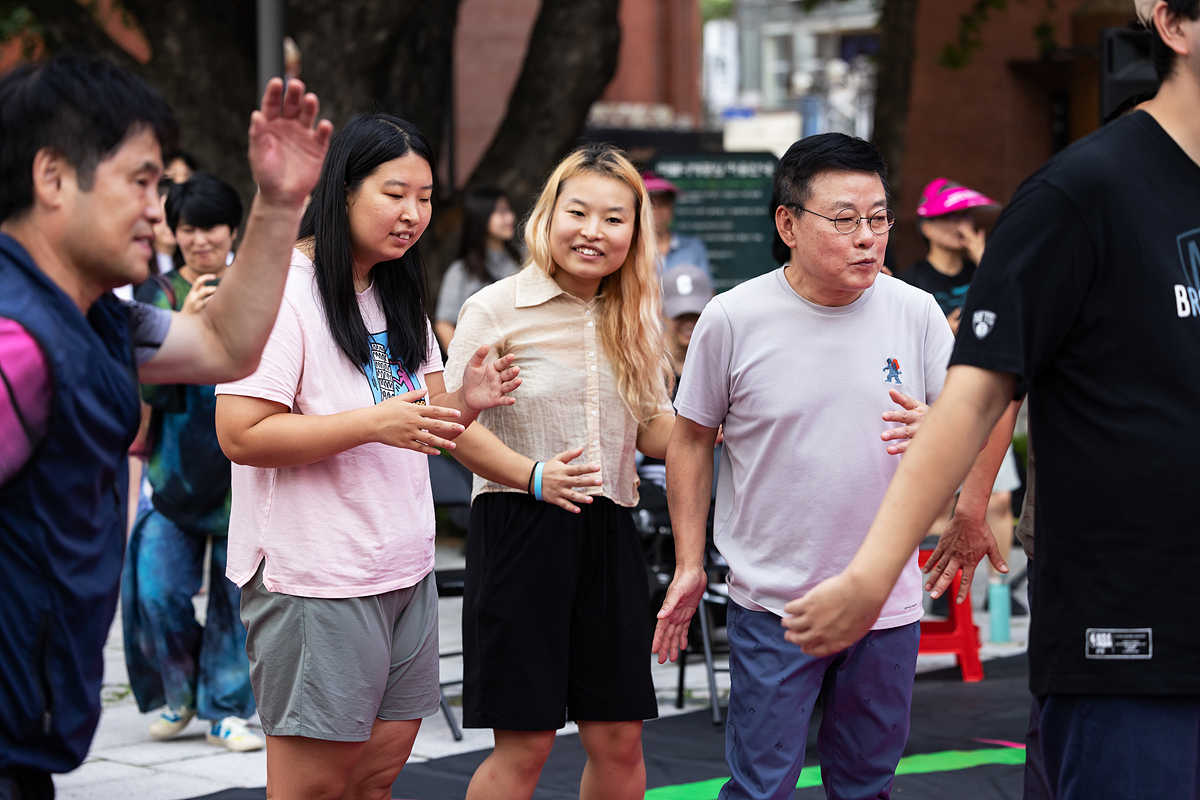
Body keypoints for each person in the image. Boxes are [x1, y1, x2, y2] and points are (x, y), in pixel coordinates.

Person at [784, 2, 1200, 797]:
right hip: (1136, 646)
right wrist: (874, 573)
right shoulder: (1081, 194)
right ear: (1173, 24)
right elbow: (972, 398)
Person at [0, 55, 331, 797]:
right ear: (53, 179)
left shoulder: (101, 320)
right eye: (141, 182)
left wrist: (278, 204)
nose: (160, 210)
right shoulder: (16, 339)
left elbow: (223, 347)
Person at [213, 113, 561, 800]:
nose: (413, 214)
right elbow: (242, 433)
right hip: (317, 577)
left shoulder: (396, 288)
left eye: (426, 197)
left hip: (406, 569)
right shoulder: (285, 287)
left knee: (378, 775)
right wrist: (371, 423)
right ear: (342, 191)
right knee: (313, 786)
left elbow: (424, 422)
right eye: (394, 192)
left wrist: (468, 399)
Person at [651, 132, 958, 800]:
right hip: (773, 601)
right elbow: (690, 437)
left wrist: (941, 433)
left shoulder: (917, 312)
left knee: (867, 783)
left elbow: (970, 424)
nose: (867, 237)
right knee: (762, 785)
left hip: (887, 602)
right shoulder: (733, 318)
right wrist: (689, 562)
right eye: (844, 219)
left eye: (878, 218)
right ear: (788, 223)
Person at [445, 144, 674, 800]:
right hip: (519, 528)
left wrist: (718, 417)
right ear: (546, 217)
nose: (592, 232)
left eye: (613, 218)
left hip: (611, 531)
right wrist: (533, 475)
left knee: (619, 742)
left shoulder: (634, 316)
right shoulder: (495, 308)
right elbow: (453, 427)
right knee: (526, 746)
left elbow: (654, 429)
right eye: (577, 212)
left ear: (635, 231)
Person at [121, 173, 262, 753]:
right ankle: (179, 695)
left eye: (210, 228)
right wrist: (189, 327)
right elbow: (146, 393)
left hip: (243, 476)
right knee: (157, 591)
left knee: (235, 601)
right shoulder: (154, 293)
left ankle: (226, 708)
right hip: (173, 475)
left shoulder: (255, 291)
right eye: (187, 229)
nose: (200, 240)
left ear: (232, 230)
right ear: (173, 233)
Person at [434, 186, 521, 350]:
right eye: (501, 212)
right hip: (482, 363)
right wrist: (463, 363)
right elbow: (444, 323)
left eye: (508, 210)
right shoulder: (460, 271)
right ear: (482, 216)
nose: (510, 217)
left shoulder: (524, 259)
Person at [642, 171, 711, 278]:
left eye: (663, 204)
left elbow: (706, 291)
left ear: (672, 208)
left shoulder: (693, 247)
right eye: (651, 204)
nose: (657, 211)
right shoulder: (629, 250)